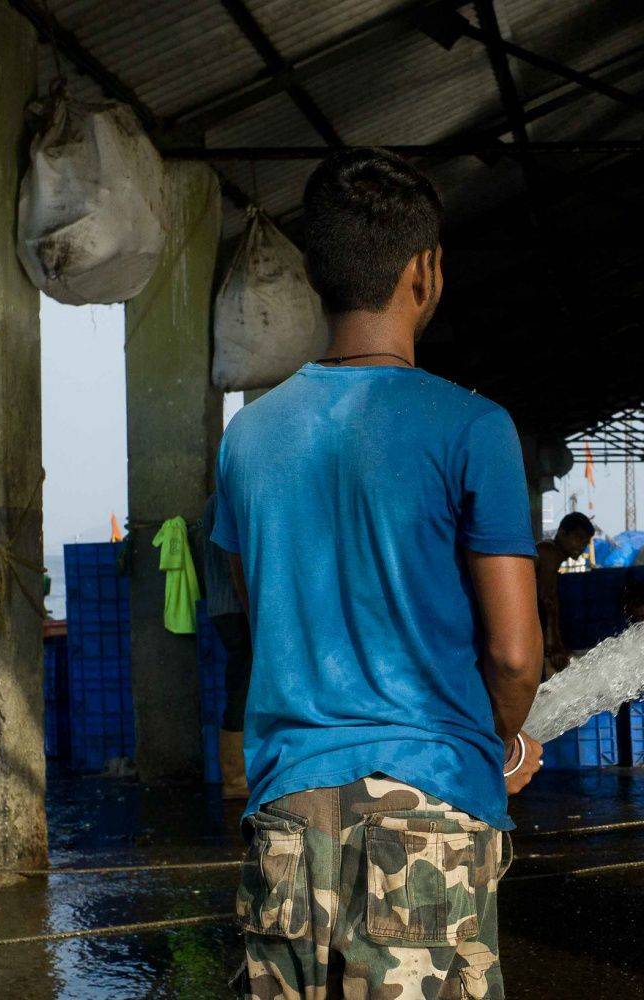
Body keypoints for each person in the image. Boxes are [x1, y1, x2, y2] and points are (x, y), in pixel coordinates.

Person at [209, 148, 544, 1000]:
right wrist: (496, 745)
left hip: (289, 813)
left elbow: (261, 625)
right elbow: (512, 654)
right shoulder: (475, 428)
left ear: (316, 276)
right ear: (426, 273)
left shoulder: (248, 439)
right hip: (428, 809)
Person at [202, 491, 251, 800]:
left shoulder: (213, 503)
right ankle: (235, 780)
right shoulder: (227, 501)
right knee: (242, 686)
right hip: (235, 607)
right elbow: (236, 562)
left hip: (222, 607)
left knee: (240, 684)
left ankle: (238, 777)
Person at [535, 512, 594, 678]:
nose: (581, 544)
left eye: (585, 541)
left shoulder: (552, 557)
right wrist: (552, 647)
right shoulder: (548, 553)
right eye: (578, 537)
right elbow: (546, 603)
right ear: (562, 532)